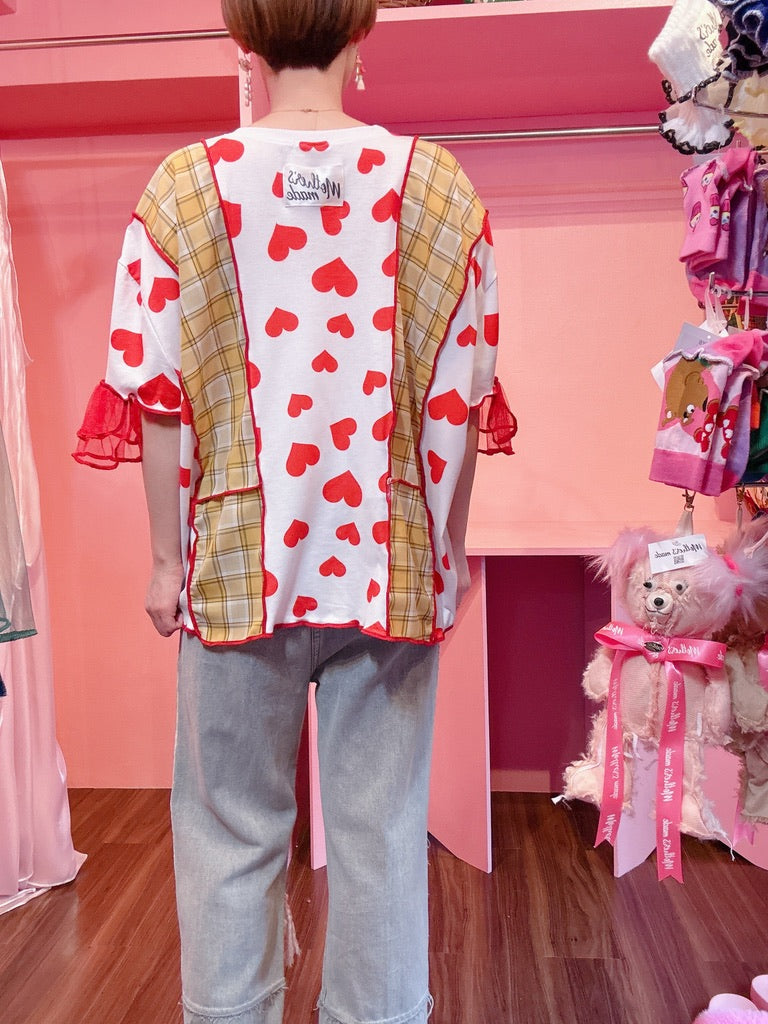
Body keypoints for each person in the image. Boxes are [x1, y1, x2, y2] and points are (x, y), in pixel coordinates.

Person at [74, 1, 513, 1021]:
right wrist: (446, 552)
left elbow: (157, 396)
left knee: (229, 835)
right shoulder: (439, 188)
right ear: (362, 31)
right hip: (388, 569)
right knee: (382, 836)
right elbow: (461, 396)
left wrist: (162, 561)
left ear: (246, 39)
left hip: (234, 570)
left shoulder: (183, 188)